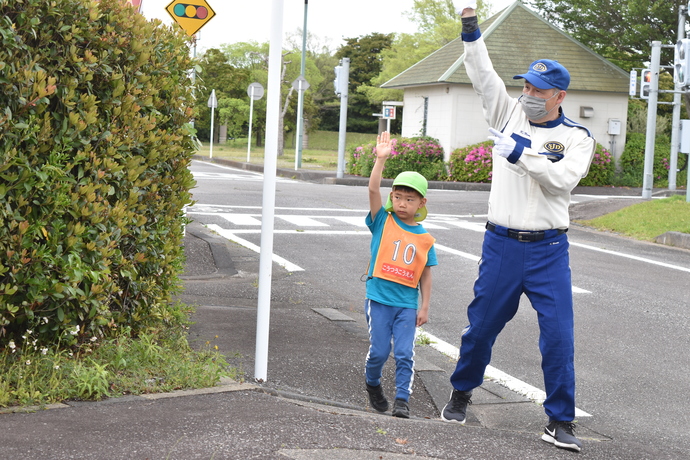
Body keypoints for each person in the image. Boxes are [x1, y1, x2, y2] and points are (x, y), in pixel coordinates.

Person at [440, 1, 596, 453]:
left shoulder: (576, 138)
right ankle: (461, 393)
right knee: (481, 328)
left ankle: (560, 421)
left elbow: (560, 180)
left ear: (559, 96)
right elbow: (481, 70)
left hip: (549, 249)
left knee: (559, 337)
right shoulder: (506, 113)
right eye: (526, 85)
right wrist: (470, 23)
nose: (529, 93)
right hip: (502, 244)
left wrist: (517, 154)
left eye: (539, 89)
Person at [364, 131, 438, 419]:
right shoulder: (383, 220)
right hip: (379, 299)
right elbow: (372, 191)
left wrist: (425, 306)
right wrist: (380, 160)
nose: (402, 203)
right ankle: (372, 383)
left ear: (422, 203)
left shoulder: (425, 238)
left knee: (405, 353)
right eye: (397, 196)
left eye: (410, 198)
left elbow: (426, 275)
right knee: (380, 352)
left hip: (407, 304)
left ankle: (402, 401)